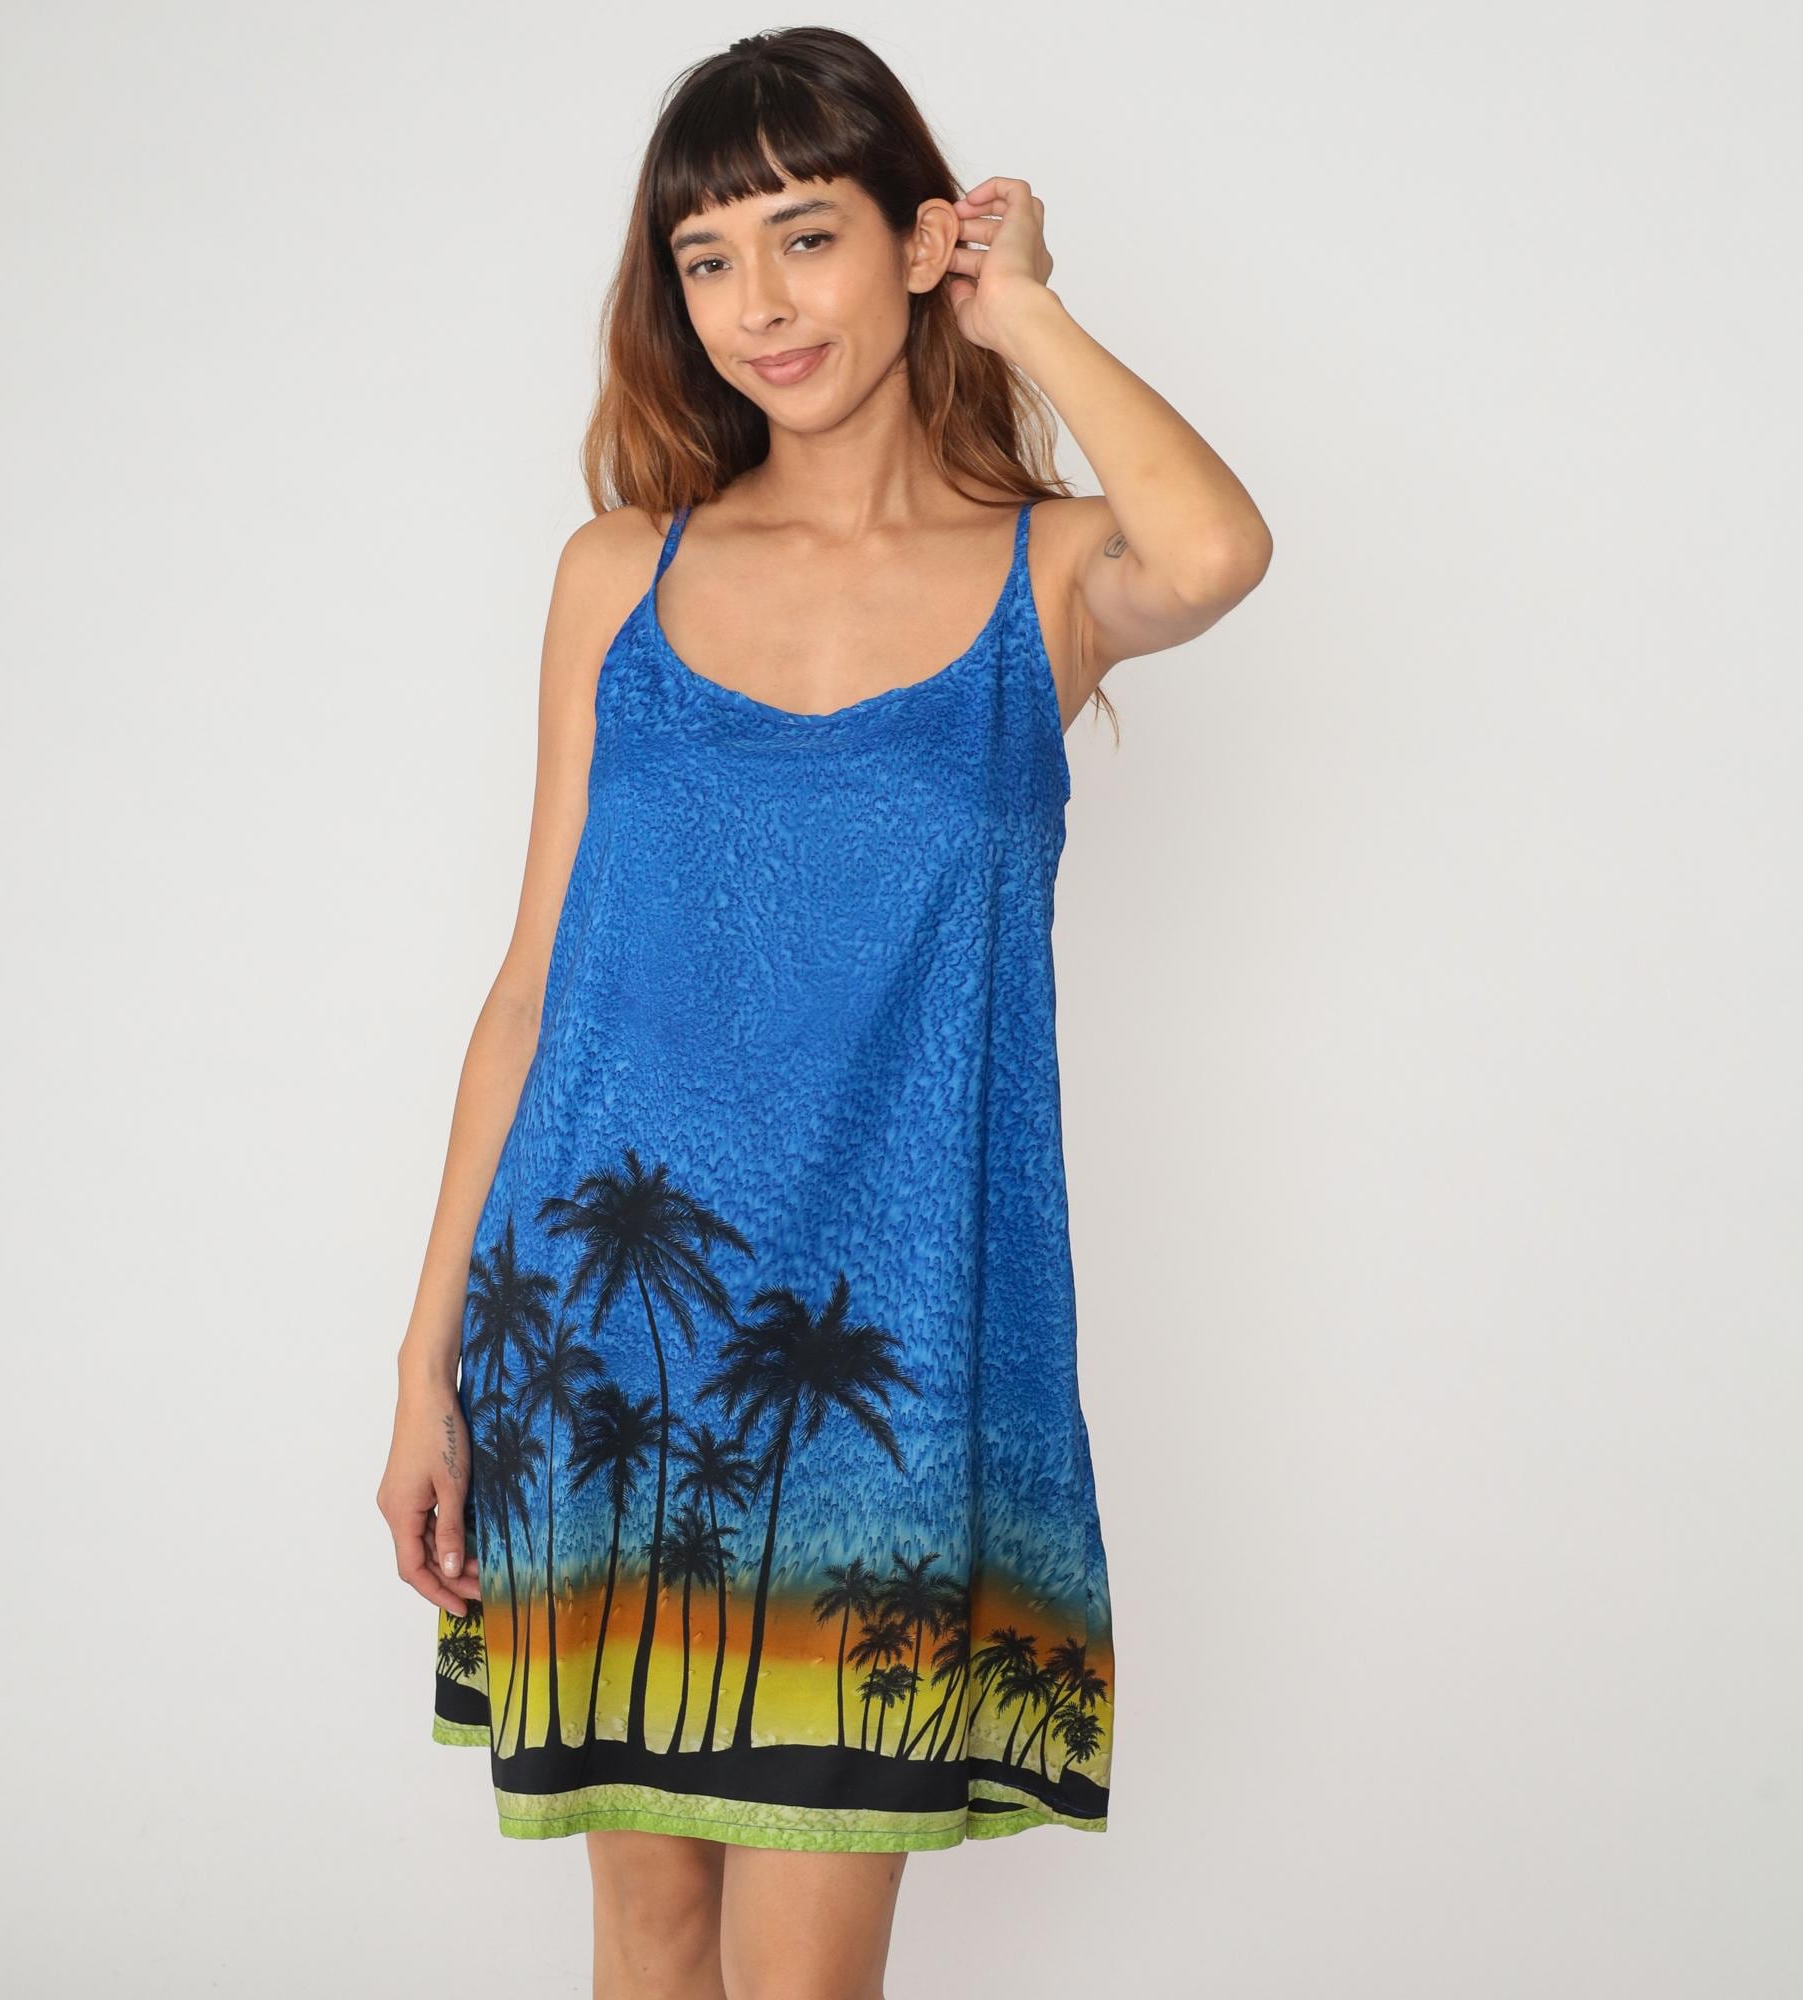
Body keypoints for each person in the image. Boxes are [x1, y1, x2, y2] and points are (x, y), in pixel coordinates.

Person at [376, 26, 1270, 1998]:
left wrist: (1023, 309)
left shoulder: (1045, 575)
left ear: (913, 242)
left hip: (872, 1375)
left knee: (805, 1973)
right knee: (649, 1940)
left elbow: (1218, 550)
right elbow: (529, 990)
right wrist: (425, 1362)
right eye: (707, 259)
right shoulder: (619, 575)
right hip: (602, 1339)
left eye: (805, 236)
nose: (759, 305)